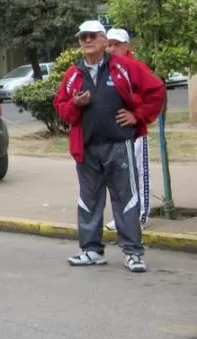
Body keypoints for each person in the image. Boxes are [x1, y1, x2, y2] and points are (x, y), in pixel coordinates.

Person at [54, 20, 164, 272]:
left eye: (93, 36)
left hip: (119, 144)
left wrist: (138, 116)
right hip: (87, 148)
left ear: (104, 40)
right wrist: (76, 105)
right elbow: (62, 108)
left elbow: (156, 90)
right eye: (83, 37)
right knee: (89, 200)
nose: (88, 40)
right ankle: (91, 250)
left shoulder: (124, 68)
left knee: (126, 199)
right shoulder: (73, 75)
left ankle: (133, 253)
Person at [105, 28, 153, 229]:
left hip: (134, 133)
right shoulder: (104, 69)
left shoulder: (136, 69)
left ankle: (141, 216)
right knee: (119, 176)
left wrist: (136, 116)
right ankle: (123, 217)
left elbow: (151, 98)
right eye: (110, 44)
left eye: (117, 44)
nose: (113, 49)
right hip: (113, 134)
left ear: (127, 47)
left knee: (139, 174)